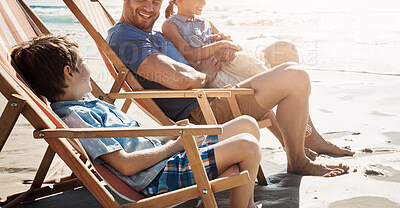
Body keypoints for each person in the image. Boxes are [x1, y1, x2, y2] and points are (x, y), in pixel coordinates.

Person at [107, 0, 354, 177]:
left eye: (156, 2)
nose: (149, 8)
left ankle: (307, 136)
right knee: (295, 77)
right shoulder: (126, 36)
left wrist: (218, 47)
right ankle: (298, 160)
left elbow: (188, 54)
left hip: (216, 89)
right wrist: (206, 73)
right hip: (205, 108)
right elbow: (180, 78)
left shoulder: (151, 33)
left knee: (285, 50)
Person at [11, 34, 264, 208]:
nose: (88, 68)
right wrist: (176, 145)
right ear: (69, 73)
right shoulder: (78, 118)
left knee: (246, 124)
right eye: (83, 62)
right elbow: (126, 166)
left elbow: (137, 142)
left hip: (165, 160)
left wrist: (170, 134)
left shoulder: (88, 104)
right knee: (247, 145)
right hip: (158, 178)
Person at [162, 0, 270, 88]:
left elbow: (229, 43)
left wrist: (226, 42)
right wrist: (221, 45)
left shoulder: (206, 22)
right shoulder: (170, 25)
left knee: (259, 72)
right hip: (212, 70)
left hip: (228, 61)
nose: (204, 2)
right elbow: (189, 53)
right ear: (179, 0)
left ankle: (274, 82)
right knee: (243, 88)